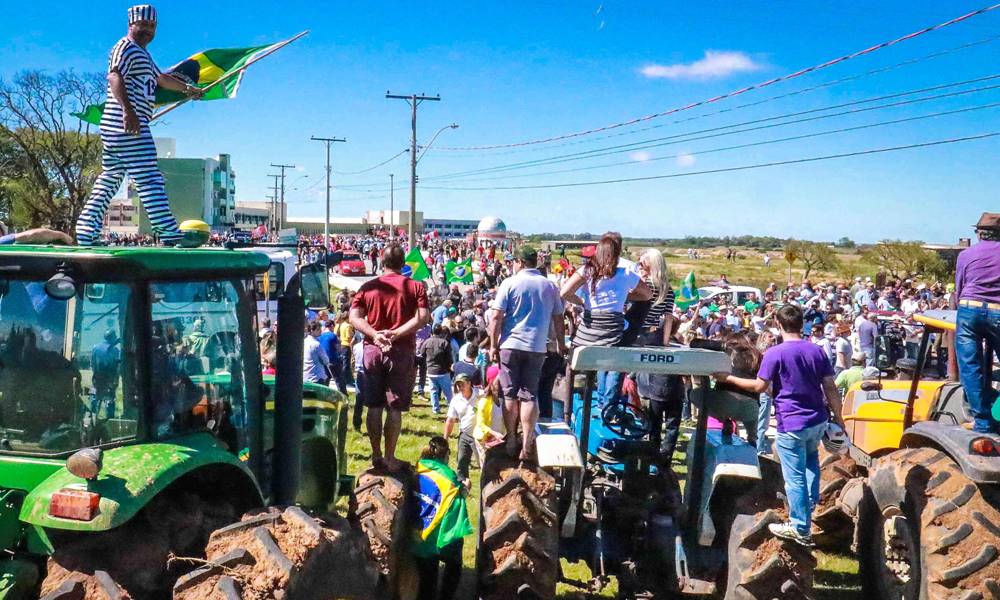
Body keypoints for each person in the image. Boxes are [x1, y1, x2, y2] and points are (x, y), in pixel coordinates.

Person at [714, 304, 846, 547]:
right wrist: (839, 418)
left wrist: (728, 378)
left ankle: (800, 526)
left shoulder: (775, 353)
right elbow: (830, 387)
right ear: (801, 322)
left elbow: (758, 387)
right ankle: (807, 508)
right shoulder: (817, 351)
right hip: (817, 419)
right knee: (810, 465)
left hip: (791, 422)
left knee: (794, 476)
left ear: (777, 322)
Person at [76, 5, 203, 245]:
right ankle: (168, 232)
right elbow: (114, 76)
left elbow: (162, 79)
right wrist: (128, 112)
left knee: (110, 178)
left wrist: (189, 90)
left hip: (120, 127)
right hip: (127, 126)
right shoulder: (125, 47)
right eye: (143, 25)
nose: (147, 30)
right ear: (131, 24)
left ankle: (85, 230)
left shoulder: (142, 54)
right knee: (149, 177)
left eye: (152, 26)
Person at [350, 244, 430, 471]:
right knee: (394, 407)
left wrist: (376, 334)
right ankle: (390, 456)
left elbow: (354, 317)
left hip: (372, 351)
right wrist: (395, 334)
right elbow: (423, 317)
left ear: (381, 262)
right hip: (401, 351)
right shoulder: (416, 286)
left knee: (374, 406)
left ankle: (376, 455)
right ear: (403, 263)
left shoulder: (367, 287)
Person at [489, 245, 565, 461]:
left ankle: (512, 437)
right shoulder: (549, 286)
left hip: (510, 345)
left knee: (510, 394)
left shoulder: (510, 283)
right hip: (537, 347)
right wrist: (560, 344)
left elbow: (496, 317)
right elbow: (558, 318)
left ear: (520, 263)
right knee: (530, 395)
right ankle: (528, 440)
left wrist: (493, 344)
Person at [561, 234, 651, 406]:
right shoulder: (625, 273)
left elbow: (565, 292)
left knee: (602, 363)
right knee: (616, 362)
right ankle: (609, 404)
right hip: (612, 334)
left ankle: (596, 400)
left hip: (587, 334)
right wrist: (624, 295)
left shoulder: (586, 271)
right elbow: (647, 294)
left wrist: (583, 303)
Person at [954, 212, 1000, 434]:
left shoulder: (966, 255)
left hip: (969, 308)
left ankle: (982, 421)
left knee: (970, 366)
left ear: (980, 234)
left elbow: (959, 288)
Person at [412, 436, 473, 600]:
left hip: (416, 537)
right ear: (446, 456)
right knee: (454, 565)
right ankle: (446, 595)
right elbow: (455, 504)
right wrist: (466, 489)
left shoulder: (417, 469)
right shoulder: (450, 477)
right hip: (442, 539)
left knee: (427, 580)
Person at [444, 373, 477, 485]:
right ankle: (462, 486)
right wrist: (445, 438)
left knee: (483, 463)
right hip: (465, 434)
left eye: (462, 384)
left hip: (480, 435)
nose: (460, 387)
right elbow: (450, 420)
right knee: (461, 462)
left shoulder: (480, 395)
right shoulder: (456, 400)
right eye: (458, 385)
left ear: (469, 383)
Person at [421, 325, 454, 414]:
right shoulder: (444, 343)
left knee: (433, 391)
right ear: (441, 332)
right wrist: (449, 368)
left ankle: (435, 409)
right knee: (448, 393)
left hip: (431, 371)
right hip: (442, 371)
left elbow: (422, 354)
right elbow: (449, 358)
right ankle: (451, 409)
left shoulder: (427, 342)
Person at [91, 330, 122, 417]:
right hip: (109, 379)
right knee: (109, 401)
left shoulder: (95, 348)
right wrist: (116, 379)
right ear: (113, 338)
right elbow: (117, 366)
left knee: (95, 400)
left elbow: (92, 364)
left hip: (97, 379)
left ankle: (92, 420)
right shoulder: (115, 350)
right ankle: (109, 421)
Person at [319, 320, 346, 394]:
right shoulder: (333, 336)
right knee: (339, 380)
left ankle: (323, 395)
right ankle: (343, 395)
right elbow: (338, 348)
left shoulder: (321, 336)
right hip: (333, 360)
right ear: (331, 326)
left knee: (326, 380)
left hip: (324, 361)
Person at [303, 320, 331, 385]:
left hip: (305, 376)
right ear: (312, 330)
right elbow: (326, 361)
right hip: (316, 377)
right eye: (318, 329)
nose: (320, 331)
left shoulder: (304, 342)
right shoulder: (316, 344)